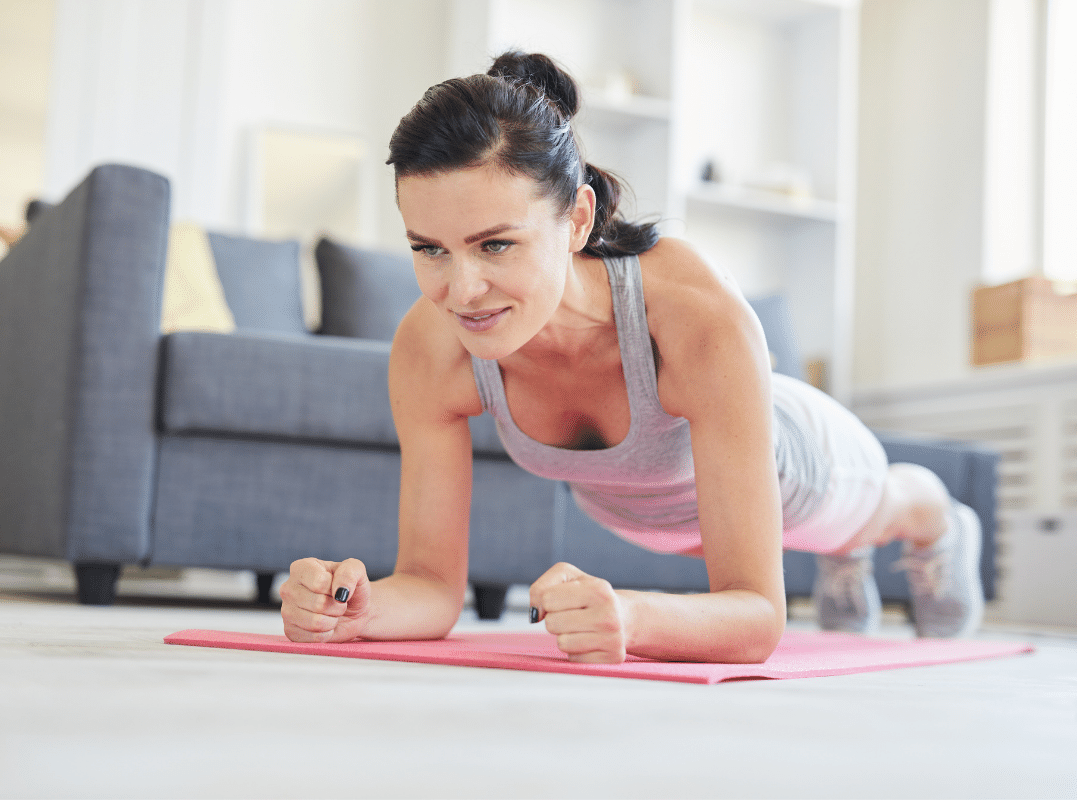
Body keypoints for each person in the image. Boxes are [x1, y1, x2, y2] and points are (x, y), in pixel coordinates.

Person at [278, 51, 984, 664]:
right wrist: (353, 608)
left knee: (874, 510)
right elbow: (432, 587)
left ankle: (938, 522)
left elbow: (758, 616)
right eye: (429, 248)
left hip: (801, 464)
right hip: (656, 512)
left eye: (496, 244)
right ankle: (846, 557)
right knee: (707, 538)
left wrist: (634, 617)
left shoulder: (694, 315)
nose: (461, 292)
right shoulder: (429, 348)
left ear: (578, 219)